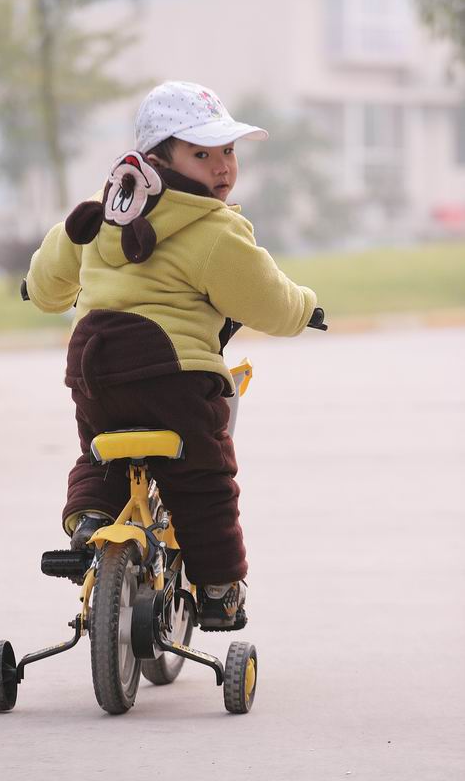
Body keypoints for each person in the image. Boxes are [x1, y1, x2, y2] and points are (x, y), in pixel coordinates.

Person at [25, 80, 318, 630]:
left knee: (99, 453)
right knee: (203, 477)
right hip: (173, 375)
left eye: (228, 151)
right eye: (202, 154)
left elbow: (47, 283)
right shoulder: (213, 228)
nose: (222, 167)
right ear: (161, 157)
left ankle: (90, 519)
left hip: (94, 371)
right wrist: (306, 309)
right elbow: (270, 301)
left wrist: (37, 289)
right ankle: (217, 591)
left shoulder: (96, 212)